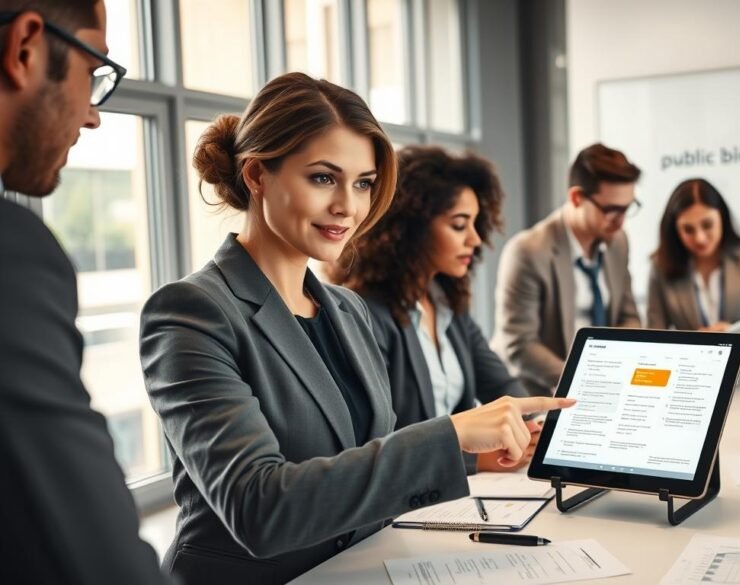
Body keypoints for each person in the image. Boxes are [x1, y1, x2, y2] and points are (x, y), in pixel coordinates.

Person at [139, 72, 572, 584]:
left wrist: (470, 459)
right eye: (323, 177)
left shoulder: (346, 309)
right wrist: (449, 435)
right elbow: (259, 508)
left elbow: (362, 460)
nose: (348, 205)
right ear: (257, 176)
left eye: (363, 182)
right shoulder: (191, 313)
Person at [0, 2, 171, 583]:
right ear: (25, 48)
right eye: (93, 70)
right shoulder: (11, 254)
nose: (94, 115)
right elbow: (93, 560)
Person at [333, 145, 530, 473]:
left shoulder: (448, 303)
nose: (475, 239)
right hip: (408, 500)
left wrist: (534, 425)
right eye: (459, 225)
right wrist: (471, 460)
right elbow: (378, 441)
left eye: (476, 224)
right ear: (412, 228)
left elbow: (500, 386)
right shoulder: (365, 313)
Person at [491, 143, 642, 396]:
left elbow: (628, 314)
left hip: (604, 388)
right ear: (576, 198)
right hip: (536, 393)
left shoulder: (618, 241)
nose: (621, 220)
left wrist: (620, 367)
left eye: (627, 208)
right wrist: (583, 381)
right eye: (611, 210)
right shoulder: (528, 251)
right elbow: (520, 345)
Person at [646, 178, 740, 388]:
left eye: (707, 225)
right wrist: (693, 341)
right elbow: (654, 338)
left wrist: (736, 337)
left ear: (722, 217)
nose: (700, 238)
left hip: (739, 383)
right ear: (674, 229)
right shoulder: (660, 266)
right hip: (684, 383)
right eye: (688, 229)